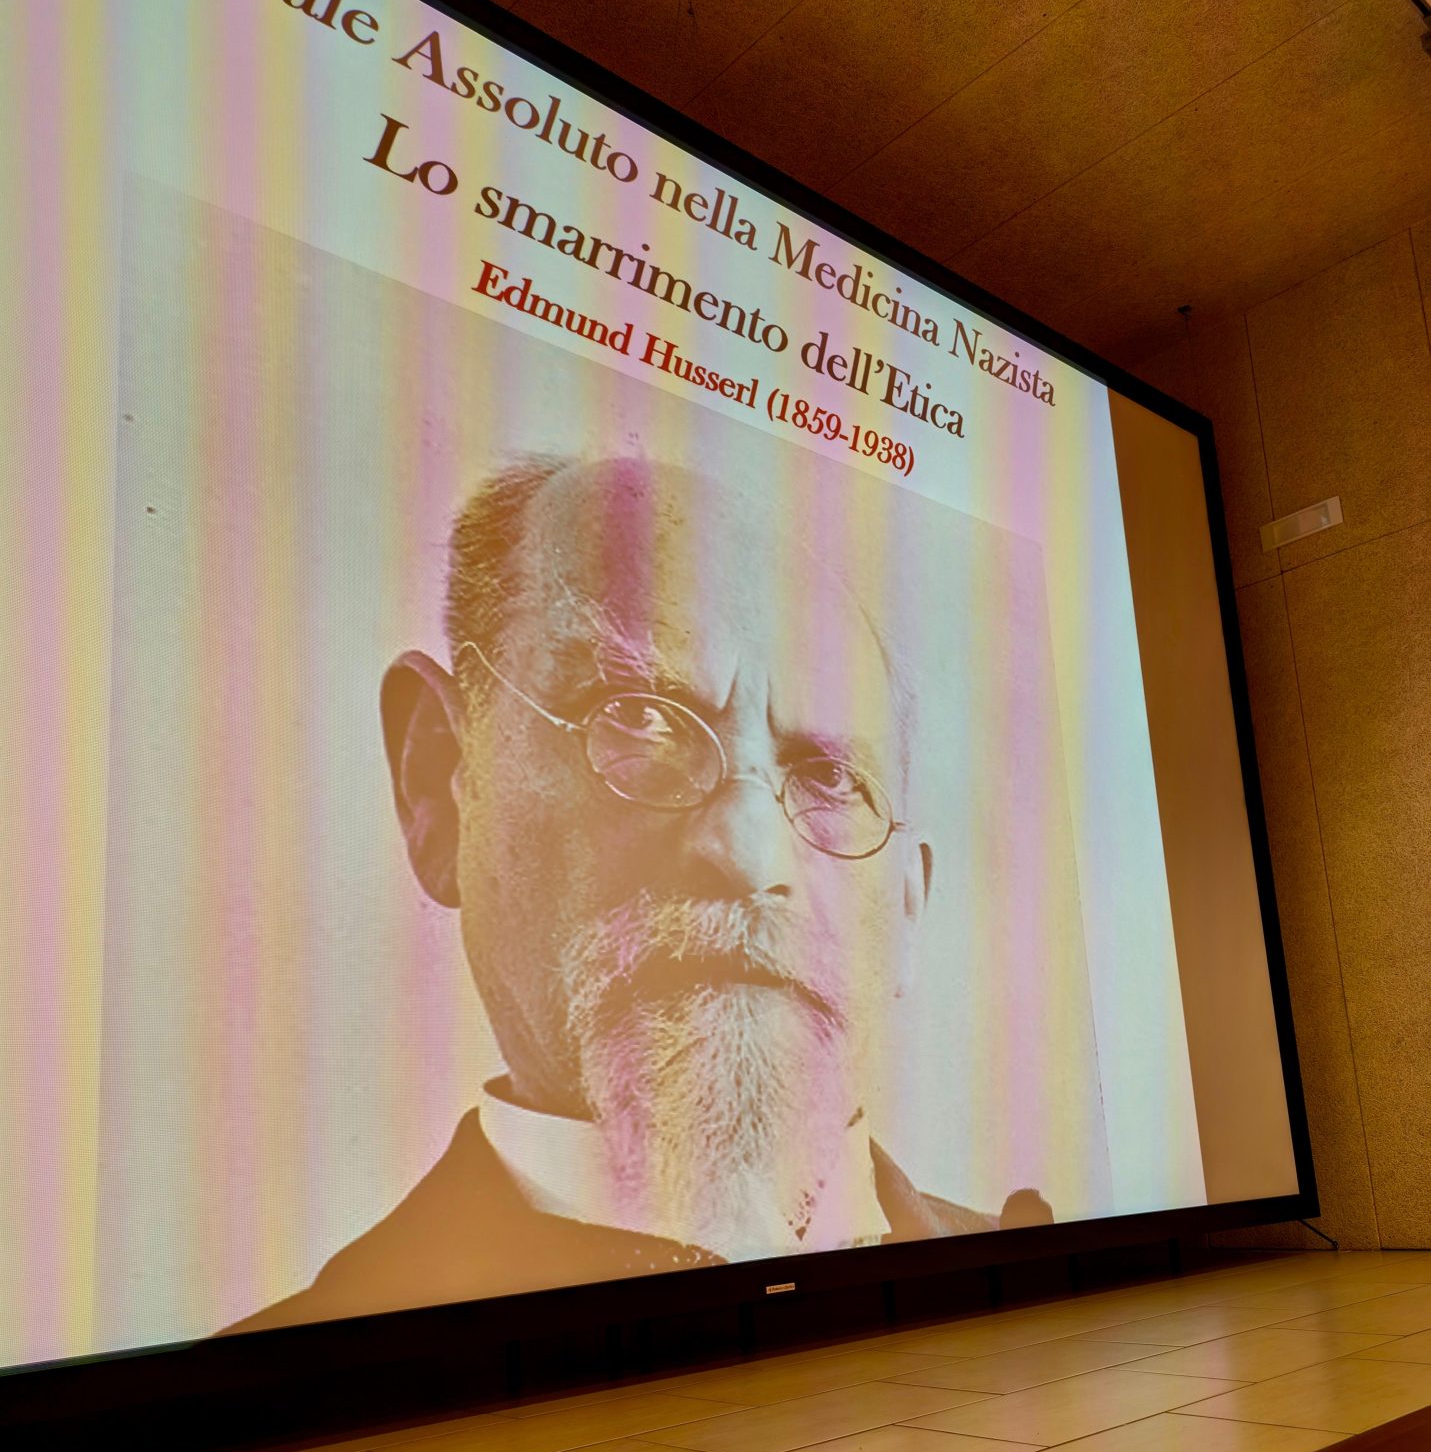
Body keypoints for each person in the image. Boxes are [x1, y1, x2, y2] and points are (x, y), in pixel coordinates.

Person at [234, 453, 1022, 1333]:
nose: (748, 850)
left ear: (909, 906)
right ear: (440, 786)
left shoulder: (1030, 1287)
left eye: (830, 777)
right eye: (640, 716)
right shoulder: (267, 1386)